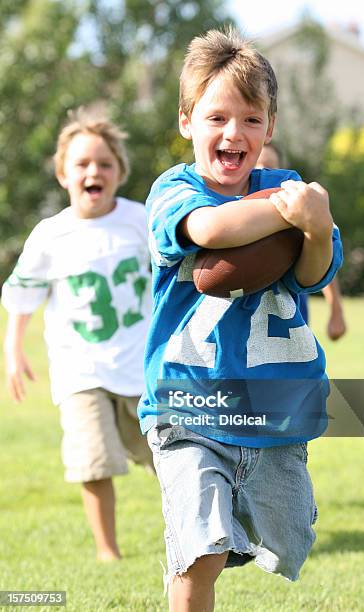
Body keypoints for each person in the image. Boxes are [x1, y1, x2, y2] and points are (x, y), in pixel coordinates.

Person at [139, 28, 343, 611]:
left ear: (270, 128)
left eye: (252, 119)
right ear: (186, 122)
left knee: (288, 538)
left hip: (272, 411)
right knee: (200, 551)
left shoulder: (287, 186)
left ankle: (209, 542)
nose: (234, 133)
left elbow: (312, 273)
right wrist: (293, 211)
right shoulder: (174, 189)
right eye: (216, 117)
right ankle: (192, 557)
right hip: (188, 406)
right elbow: (208, 234)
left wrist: (316, 226)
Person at [2, 108, 153, 562]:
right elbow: (23, 295)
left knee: (170, 455)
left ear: (120, 173)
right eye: (82, 164)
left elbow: (172, 274)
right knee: (94, 461)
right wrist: (13, 350)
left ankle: (198, 534)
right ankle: (108, 550)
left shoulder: (139, 220)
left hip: (139, 365)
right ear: (63, 174)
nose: (94, 172)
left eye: (105, 164)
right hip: (79, 368)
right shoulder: (51, 235)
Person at [257, 141, 347, 340]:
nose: (262, 171)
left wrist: (336, 310)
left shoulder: (298, 213)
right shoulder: (233, 210)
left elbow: (322, 255)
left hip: (291, 321)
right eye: (257, 165)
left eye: (269, 166)